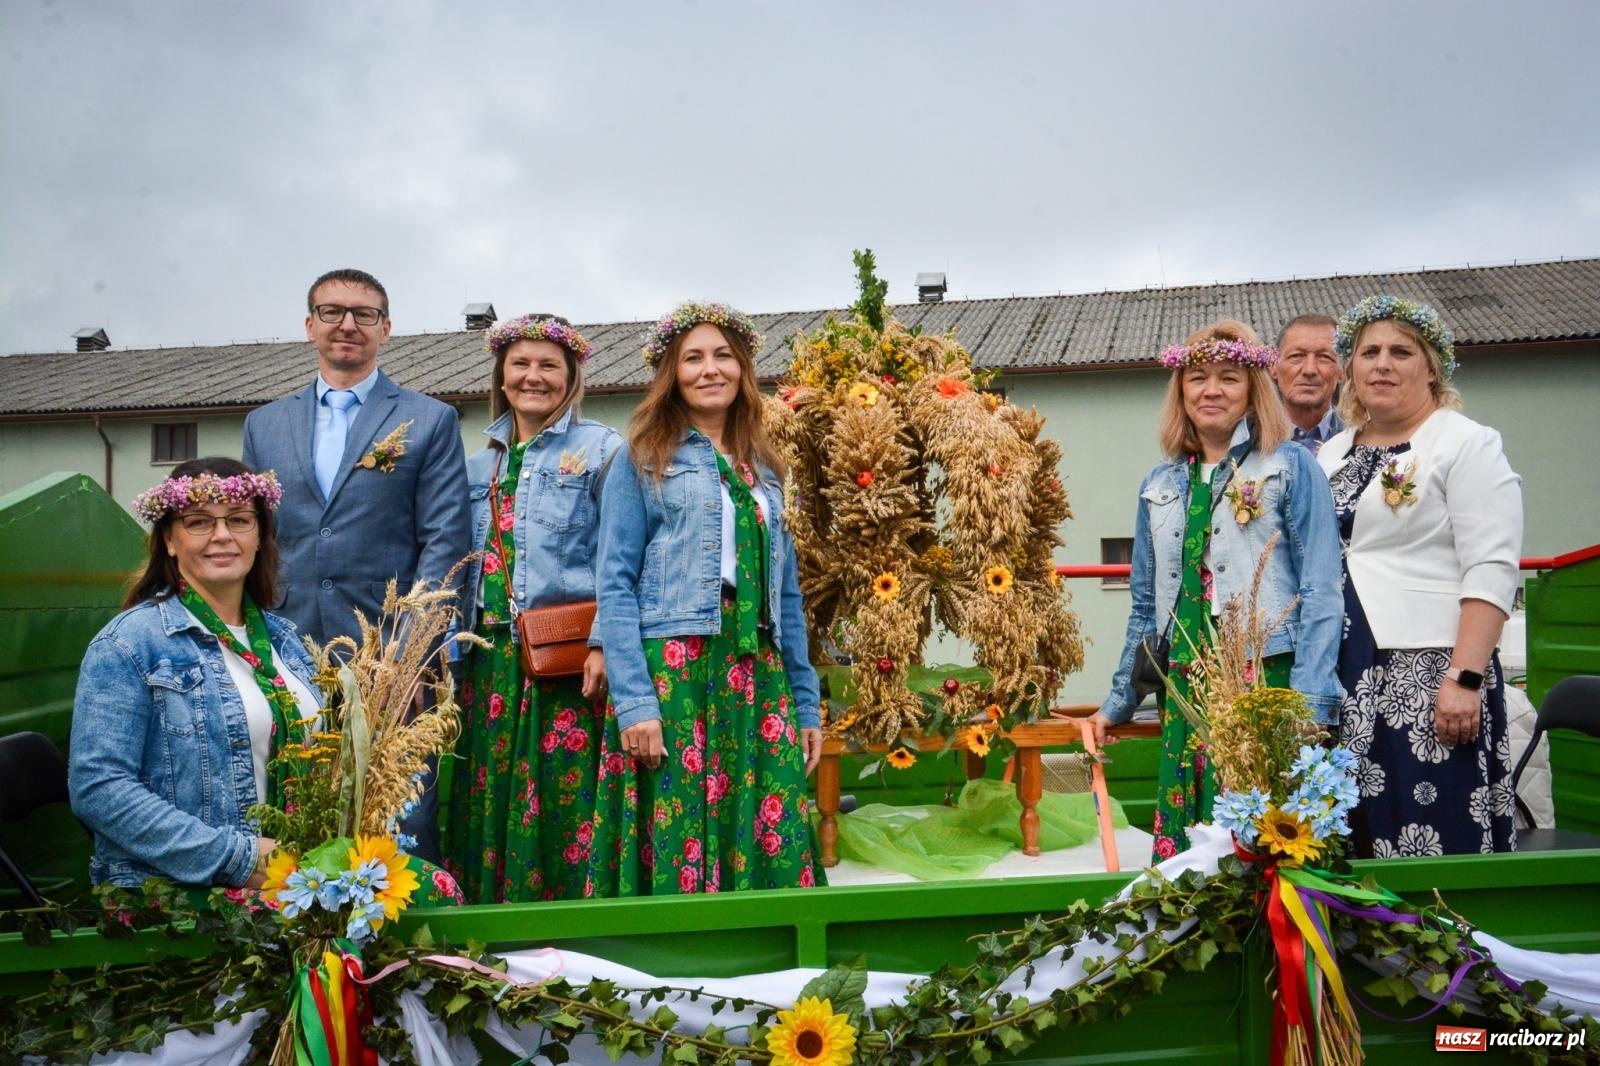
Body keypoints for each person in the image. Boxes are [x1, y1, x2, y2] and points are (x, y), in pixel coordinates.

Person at [588, 301, 824, 895]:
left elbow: (787, 598)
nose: (709, 369)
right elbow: (614, 584)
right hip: (675, 669)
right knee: (679, 817)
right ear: (672, 373)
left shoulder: (764, 469)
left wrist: (804, 703)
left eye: (723, 356)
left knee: (773, 815)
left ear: (743, 370)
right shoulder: (640, 459)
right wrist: (635, 703)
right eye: (692, 357)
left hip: (756, 669)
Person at [1090, 320, 1344, 860]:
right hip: (1185, 687)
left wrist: (1310, 705)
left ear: (1253, 388)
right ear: (1180, 391)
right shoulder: (1157, 484)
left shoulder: (1291, 465)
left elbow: (1322, 591)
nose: (1211, 390)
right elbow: (1144, 609)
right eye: (1197, 377)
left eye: (1229, 377)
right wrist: (1118, 702)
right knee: (1191, 852)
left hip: (1262, 682)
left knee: (1267, 843)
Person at [241, 268, 470, 862]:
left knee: (398, 809)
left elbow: (444, 541)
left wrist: (412, 652)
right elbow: (254, 537)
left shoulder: (430, 418)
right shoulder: (264, 424)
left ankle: (407, 947)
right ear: (309, 324)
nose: (348, 325)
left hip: (387, 651)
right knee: (292, 804)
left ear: (386, 329)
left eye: (363, 314)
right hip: (286, 646)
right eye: (332, 311)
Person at [1320, 295, 1521, 857]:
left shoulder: (1464, 443)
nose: (1382, 364)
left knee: (1429, 833)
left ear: (1432, 367)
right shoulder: (1330, 453)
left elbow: (1492, 566)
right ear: (1351, 369)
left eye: (1401, 352)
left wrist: (1465, 678)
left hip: (1428, 675)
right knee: (1349, 835)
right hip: (1341, 674)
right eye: (1369, 352)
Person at [69, 458, 319, 888]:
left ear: (260, 536)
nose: (222, 535)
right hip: (190, 896)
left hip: (299, 880)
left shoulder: (286, 640)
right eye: (199, 521)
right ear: (169, 540)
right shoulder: (130, 644)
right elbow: (98, 788)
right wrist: (238, 859)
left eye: (239, 519)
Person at [445, 314, 621, 902]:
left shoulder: (603, 449)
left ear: (572, 374)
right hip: (489, 661)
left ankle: (572, 928)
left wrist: (602, 642)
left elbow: (620, 557)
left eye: (549, 365)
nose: (533, 377)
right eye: (520, 364)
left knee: (562, 801)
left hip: (566, 662)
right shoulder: (477, 465)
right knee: (488, 796)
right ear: (501, 372)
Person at [1272, 314, 1345, 454]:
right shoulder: (1248, 441)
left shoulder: (1362, 439)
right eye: (1296, 356)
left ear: (1343, 370)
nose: (1309, 370)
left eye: (1324, 357)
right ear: (1273, 367)